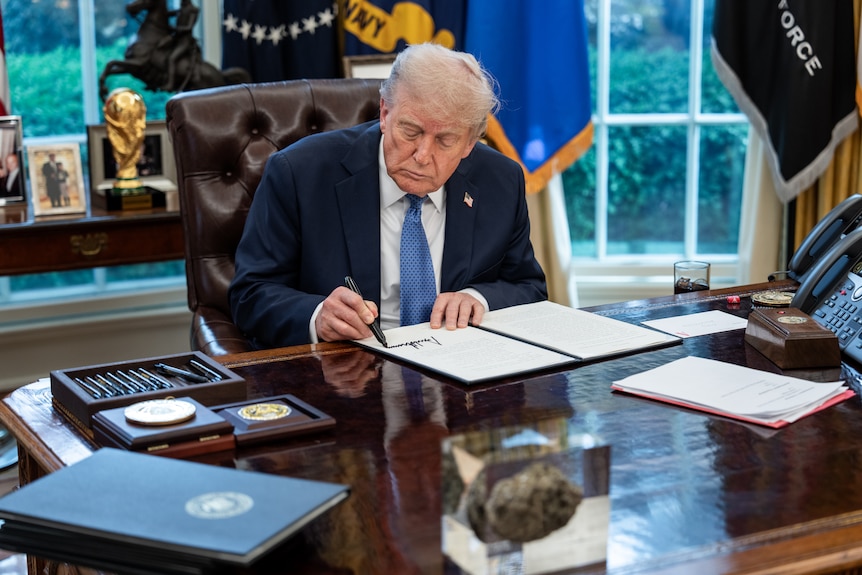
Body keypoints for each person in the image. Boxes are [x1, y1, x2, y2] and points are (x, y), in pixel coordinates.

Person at [229, 42, 547, 349]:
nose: (422, 155)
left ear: (469, 143)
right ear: (384, 113)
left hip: (460, 372)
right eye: (410, 131)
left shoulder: (501, 181)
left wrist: (478, 300)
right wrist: (317, 316)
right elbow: (250, 293)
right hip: (346, 373)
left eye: (445, 140)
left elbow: (529, 288)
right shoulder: (299, 174)